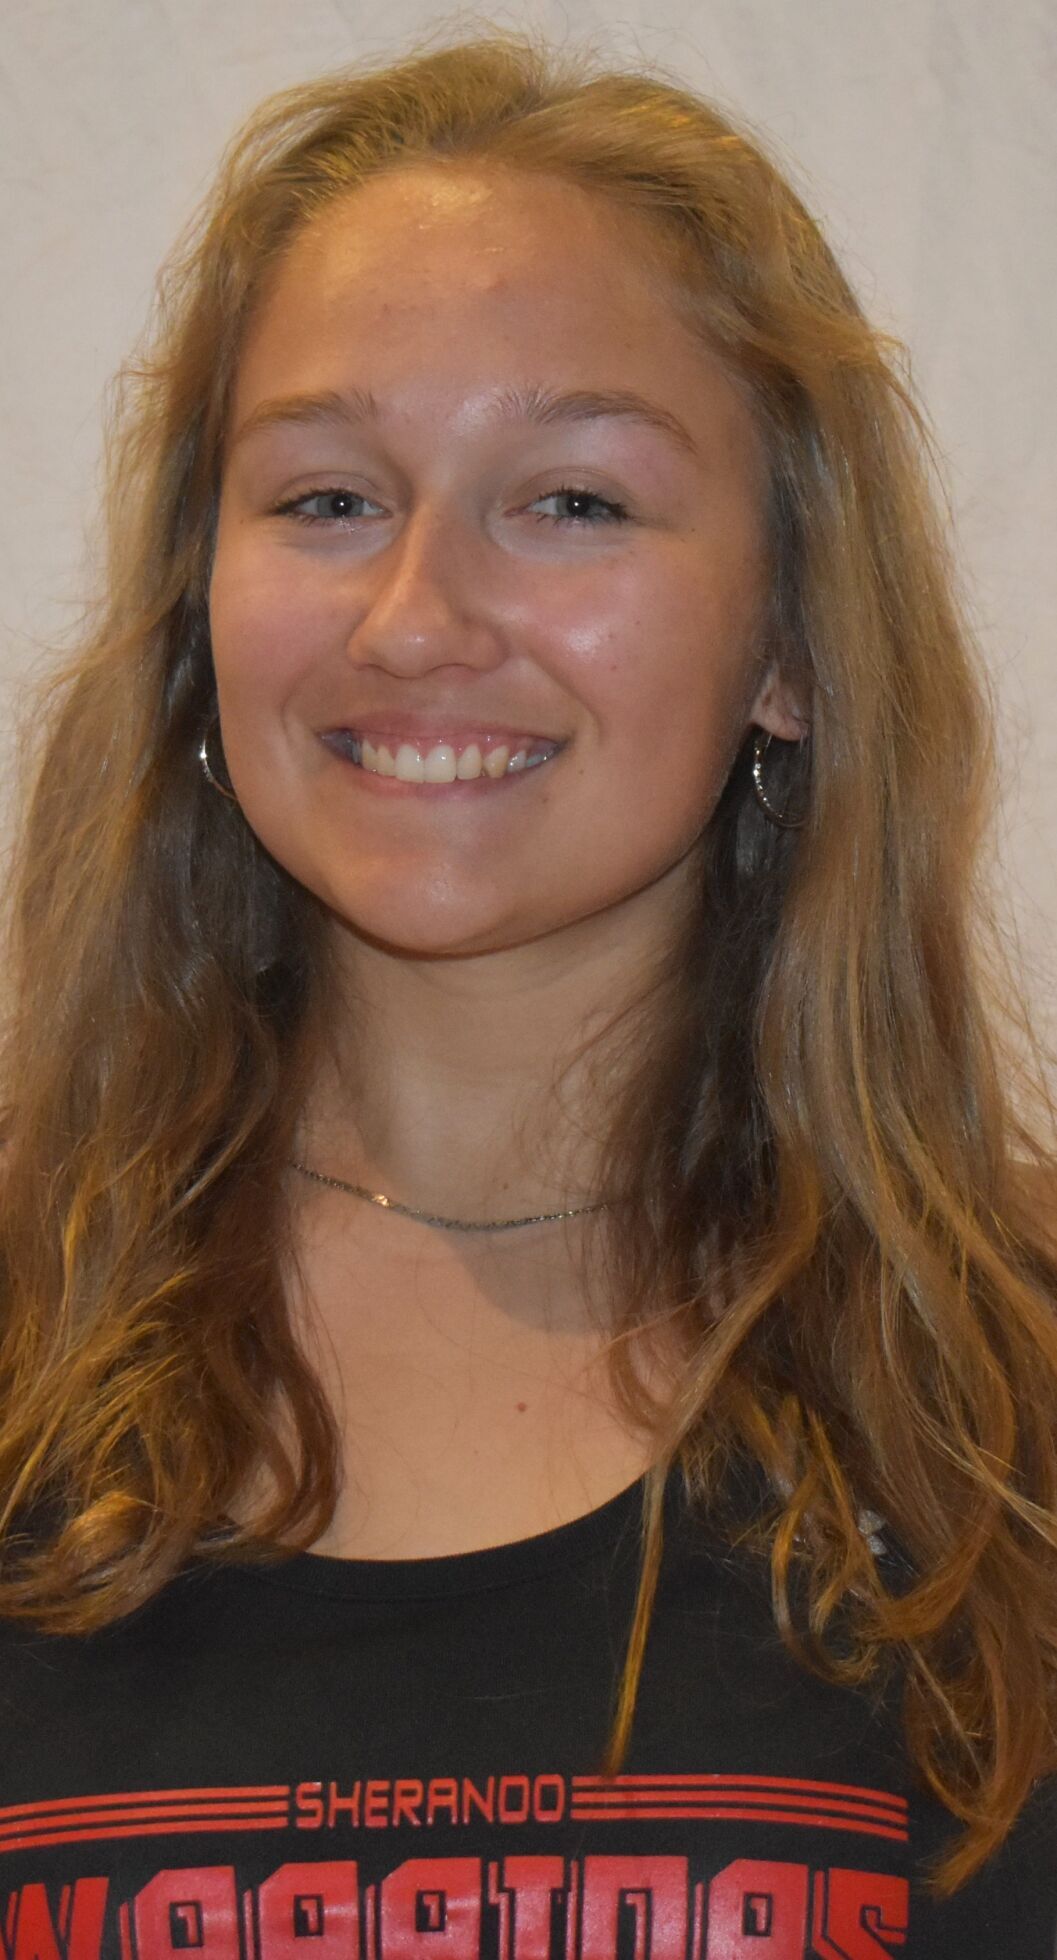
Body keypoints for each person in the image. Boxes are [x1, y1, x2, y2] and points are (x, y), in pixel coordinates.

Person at [0, 21, 1055, 1957]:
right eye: (327, 497)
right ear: (201, 614)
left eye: (571, 500)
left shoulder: (1017, 1406)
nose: (415, 618)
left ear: (788, 642)